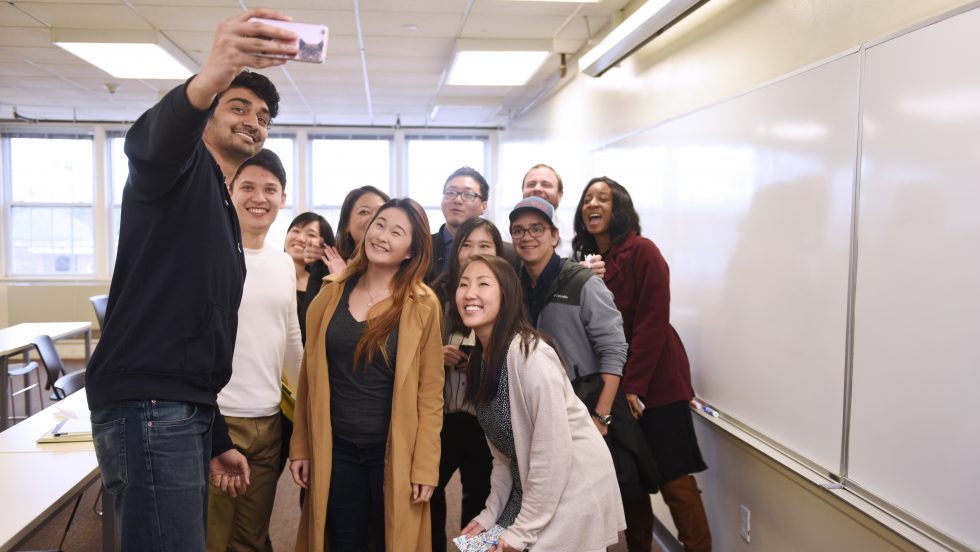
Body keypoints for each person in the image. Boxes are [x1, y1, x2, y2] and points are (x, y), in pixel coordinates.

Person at [85, 9, 297, 550]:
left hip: (183, 409)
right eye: (239, 106)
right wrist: (211, 77)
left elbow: (200, 335)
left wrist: (215, 435)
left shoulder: (221, 209)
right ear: (205, 114)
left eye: (265, 115)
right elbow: (151, 143)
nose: (255, 119)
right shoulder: (177, 171)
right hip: (150, 406)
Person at [290, 198, 444, 551]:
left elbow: (430, 394)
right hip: (337, 446)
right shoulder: (331, 292)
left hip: (393, 451)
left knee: (390, 539)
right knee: (344, 540)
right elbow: (308, 379)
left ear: (411, 251)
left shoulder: (422, 304)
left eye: (397, 231)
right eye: (379, 224)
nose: (383, 235)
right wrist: (300, 446)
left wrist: (425, 466)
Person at [573, 177, 711, 552]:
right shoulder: (583, 261)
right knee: (630, 478)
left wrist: (635, 386)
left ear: (620, 208)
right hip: (614, 384)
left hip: (657, 382)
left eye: (603, 198)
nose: (593, 204)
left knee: (674, 480)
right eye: (587, 199)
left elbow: (651, 324)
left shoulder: (643, 251)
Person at [453, 255, 625, 552]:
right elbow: (505, 458)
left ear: (506, 296)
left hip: (572, 486)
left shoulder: (529, 356)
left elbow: (552, 457)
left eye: (483, 284)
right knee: (476, 544)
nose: (470, 293)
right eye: (464, 284)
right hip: (534, 486)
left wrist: (519, 533)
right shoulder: (481, 361)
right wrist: (491, 514)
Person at [206, 148, 303, 551]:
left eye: (270, 189)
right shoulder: (209, 256)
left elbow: (291, 340)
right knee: (212, 538)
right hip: (218, 419)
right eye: (247, 187)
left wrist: (308, 409)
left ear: (283, 197)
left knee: (250, 539)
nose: (258, 198)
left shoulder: (283, 264)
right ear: (230, 191)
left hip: (268, 421)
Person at [508, 196, 627, 437]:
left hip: (584, 404)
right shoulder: (513, 287)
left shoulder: (584, 282)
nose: (526, 236)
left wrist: (601, 416)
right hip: (536, 406)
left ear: (554, 236)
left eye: (537, 229)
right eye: (518, 230)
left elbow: (614, 350)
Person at [428, 218, 502, 551]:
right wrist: (435, 354)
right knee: (427, 491)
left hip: (484, 417)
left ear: (498, 252)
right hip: (440, 416)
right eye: (467, 245)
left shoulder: (505, 294)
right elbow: (409, 352)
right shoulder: (434, 293)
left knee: (484, 498)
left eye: (484, 246)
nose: (474, 252)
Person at [303, 185, 390, 310]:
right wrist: (338, 282)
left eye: (381, 211)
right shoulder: (325, 265)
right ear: (346, 225)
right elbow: (308, 324)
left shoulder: (401, 268)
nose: (375, 218)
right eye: (364, 212)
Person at [426, 166, 518, 283]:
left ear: (483, 206)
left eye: (468, 194)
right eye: (450, 192)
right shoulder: (422, 247)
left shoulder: (509, 254)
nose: (457, 200)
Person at [284, 211, 334, 343]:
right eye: (295, 230)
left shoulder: (325, 285)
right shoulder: (271, 272)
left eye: (311, 234)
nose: (300, 238)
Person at [522, 163, 574, 258]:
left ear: (560, 195)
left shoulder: (573, 235)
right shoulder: (503, 234)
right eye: (531, 184)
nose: (537, 188)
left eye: (546, 185)